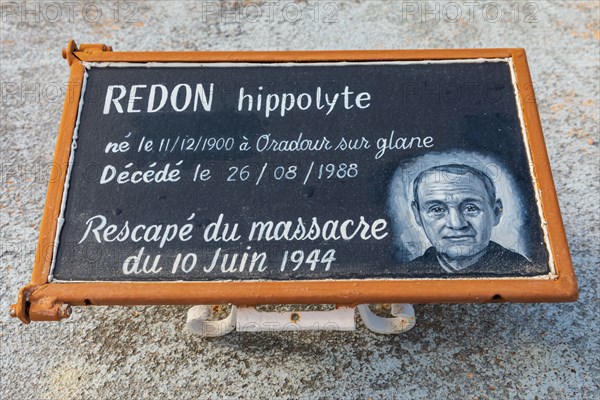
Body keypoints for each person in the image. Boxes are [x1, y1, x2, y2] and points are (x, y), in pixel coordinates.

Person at [408, 164, 533, 276]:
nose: (456, 224)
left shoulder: (522, 270)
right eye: (437, 210)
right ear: (417, 215)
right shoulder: (408, 274)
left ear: (495, 212)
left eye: (471, 208)